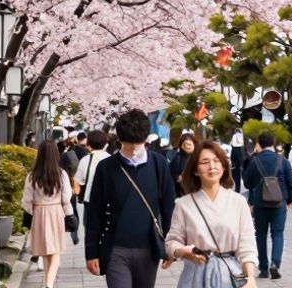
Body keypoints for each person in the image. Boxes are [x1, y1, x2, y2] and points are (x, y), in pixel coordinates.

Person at [84, 108, 178, 288]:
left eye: (139, 143)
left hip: (149, 249)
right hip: (116, 249)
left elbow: (168, 209)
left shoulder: (159, 165)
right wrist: (91, 252)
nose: (134, 148)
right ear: (120, 141)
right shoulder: (106, 168)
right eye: (129, 144)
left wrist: (171, 247)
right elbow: (95, 212)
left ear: (146, 139)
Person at [166, 140, 260, 288]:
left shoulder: (238, 202)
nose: (212, 166)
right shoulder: (183, 204)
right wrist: (181, 251)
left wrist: (250, 277)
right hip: (194, 275)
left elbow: (247, 243)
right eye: (205, 161)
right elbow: (172, 241)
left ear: (224, 166)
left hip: (229, 274)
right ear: (195, 170)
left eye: (217, 161)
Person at [243, 131, 292, 279]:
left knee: (260, 235)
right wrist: (289, 200)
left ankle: (263, 268)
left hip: (260, 203)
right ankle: (275, 263)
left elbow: (247, 182)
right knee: (278, 233)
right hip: (279, 204)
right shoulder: (282, 160)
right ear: (273, 144)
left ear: (259, 144)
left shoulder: (255, 160)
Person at [22, 139, 74, 288]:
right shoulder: (61, 174)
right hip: (56, 212)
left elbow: (26, 200)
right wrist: (69, 214)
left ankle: (47, 282)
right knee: (56, 251)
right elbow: (66, 198)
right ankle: (49, 284)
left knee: (45, 251)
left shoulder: (32, 175)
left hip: (39, 212)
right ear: (55, 154)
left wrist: (35, 211)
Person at [77, 129, 111, 205]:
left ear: (89, 143)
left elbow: (78, 182)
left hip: (90, 200)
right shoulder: (112, 159)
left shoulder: (85, 160)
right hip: (110, 201)